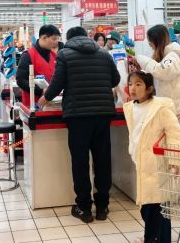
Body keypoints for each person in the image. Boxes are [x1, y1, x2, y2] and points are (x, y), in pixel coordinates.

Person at [38, 26, 120, 223]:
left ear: (69, 39)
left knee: (80, 162)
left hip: (78, 116)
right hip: (102, 114)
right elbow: (115, 79)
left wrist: (44, 98)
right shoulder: (104, 54)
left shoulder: (64, 54)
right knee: (102, 160)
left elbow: (58, 83)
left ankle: (84, 208)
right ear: (87, 37)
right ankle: (103, 206)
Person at [123, 71, 180, 243]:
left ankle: (156, 239)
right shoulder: (131, 107)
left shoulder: (160, 108)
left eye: (138, 84)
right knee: (146, 207)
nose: (133, 88)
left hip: (158, 164)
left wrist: (175, 160)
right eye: (130, 84)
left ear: (149, 88)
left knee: (157, 207)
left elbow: (175, 134)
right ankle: (153, 238)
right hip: (142, 163)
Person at [134, 24, 180, 116]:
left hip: (174, 108)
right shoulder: (163, 56)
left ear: (157, 41)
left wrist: (141, 59)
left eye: (151, 42)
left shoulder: (172, 56)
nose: (150, 45)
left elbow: (162, 72)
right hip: (166, 106)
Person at [16, 24, 61, 107]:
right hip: (33, 105)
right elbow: (20, 80)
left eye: (58, 39)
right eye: (54, 39)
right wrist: (40, 91)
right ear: (44, 37)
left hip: (52, 104)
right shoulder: (28, 55)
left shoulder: (54, 56)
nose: (56, 42)